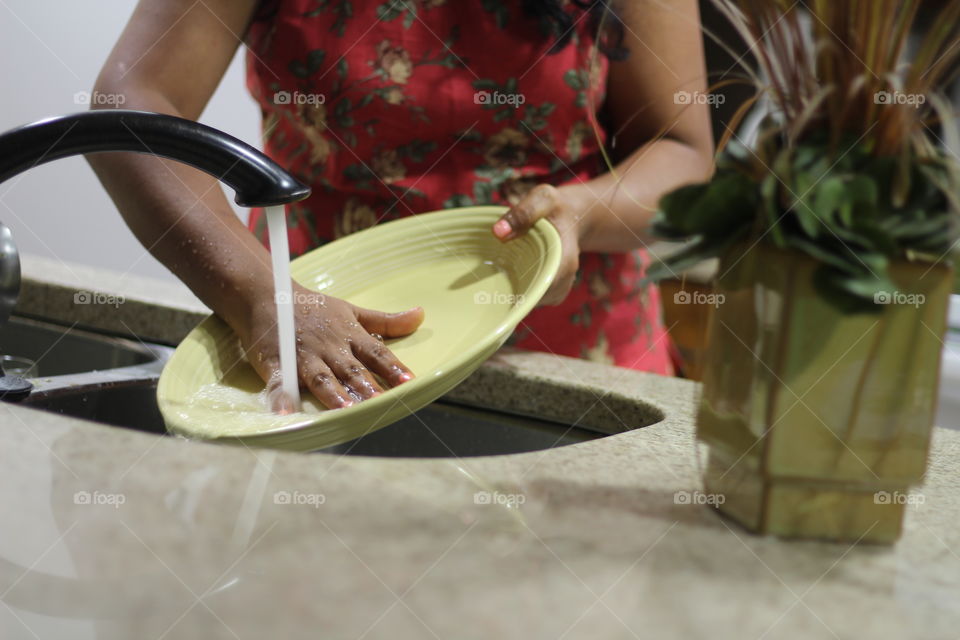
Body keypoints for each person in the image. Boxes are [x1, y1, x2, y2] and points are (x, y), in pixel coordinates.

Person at [89, 0, 714, 410]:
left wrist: (584, 212)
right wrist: (263, 294)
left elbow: (683, 152)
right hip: (316, 349)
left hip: (568, 366)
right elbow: (131, 102)